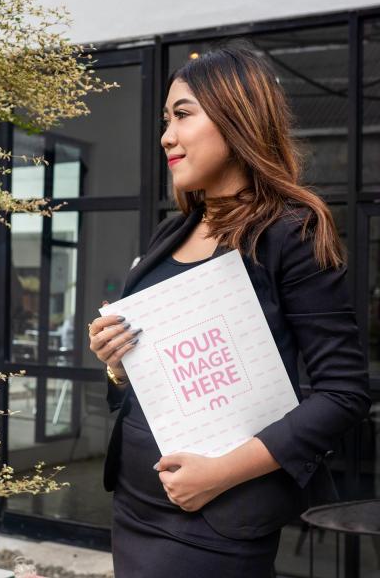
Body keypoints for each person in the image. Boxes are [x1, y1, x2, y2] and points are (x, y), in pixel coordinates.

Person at [88, 42, 371, 578]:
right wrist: (118, 365)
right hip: (135, 506)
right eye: (165, 120)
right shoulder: (172, 230)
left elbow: (343, 393)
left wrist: (218, 473)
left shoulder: (290, 232)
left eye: (183, 115)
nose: (166, 135)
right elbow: (146, 379)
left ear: (236, 117)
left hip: (216, 523)